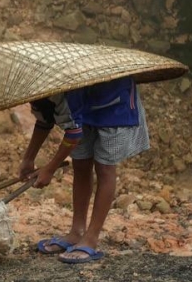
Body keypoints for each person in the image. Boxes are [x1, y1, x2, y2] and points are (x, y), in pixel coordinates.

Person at [18, 76, 149, 264]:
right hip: (85, 106)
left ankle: (91, 238)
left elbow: (73, 134)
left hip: (114, 104)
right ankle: (76, 232)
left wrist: (50, 169)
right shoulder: (37, 90)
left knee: (104, 168)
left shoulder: (62, 90)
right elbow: (44, 121)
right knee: (80, 164)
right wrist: (28, 159)